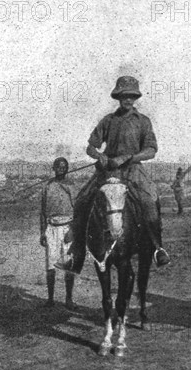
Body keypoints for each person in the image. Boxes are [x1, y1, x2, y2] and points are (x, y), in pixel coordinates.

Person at [56, 75, 170, 273]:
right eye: (124, 96)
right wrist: (99, 156)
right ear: (118, 97)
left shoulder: (143, 121)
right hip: (107, 171)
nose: (128, 100)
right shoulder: (108, 121)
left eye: (132, 96)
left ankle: (158, 249)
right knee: (83, 200)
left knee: (150, 200)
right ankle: (77, 256)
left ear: (136, 98)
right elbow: (91, 146)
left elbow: (151, 150)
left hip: (133, 171)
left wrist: (129, 158)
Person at [40, 157, 76, 309]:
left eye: (64, 166)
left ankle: (68, 299)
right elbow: (42, 212)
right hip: (51, 228)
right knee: (50, 266)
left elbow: (79, 211)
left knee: (69, 266)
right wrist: (43, 233)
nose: (61, 169)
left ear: (67, 168)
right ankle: (50, 299)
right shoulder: (47, 186)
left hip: (67, 228)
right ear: (53, 168)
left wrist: (73, 230)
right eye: (58, 167)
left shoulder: (71, 186)